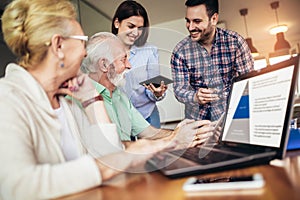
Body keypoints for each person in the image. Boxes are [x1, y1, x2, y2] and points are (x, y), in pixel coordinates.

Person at [0, 1, 178, 199]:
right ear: (59, 45)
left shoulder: (67, 101)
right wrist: (126, 157)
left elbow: (109, 156)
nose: (85, 52)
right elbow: (17, 187)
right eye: (81, 42)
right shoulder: (6, 98)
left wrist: (93, 99)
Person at [81, 32, 214, 146]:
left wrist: (180, 133)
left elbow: (148, 132)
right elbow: (113, 149)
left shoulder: (120, 96)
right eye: (123, 60)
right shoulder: (81, 101)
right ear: (104, 64)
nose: (129, 65)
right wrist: (175, 139)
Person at [171, 0, 254, 121]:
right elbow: (179, 90)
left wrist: (221, 95)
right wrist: (195, 96)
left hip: (232, 118)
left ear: (214, 19)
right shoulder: (180, 52)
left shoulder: (235, 42)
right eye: (188, 21)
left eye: (197, 21)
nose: (190, 27)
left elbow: (248, 83)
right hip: (197, 123)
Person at [111, 0, 167, 128]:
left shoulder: (150, 51)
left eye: (140, 28)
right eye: (131, 26)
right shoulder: (104, 51)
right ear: (117, 23)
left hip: (146, 114)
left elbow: (153, 86)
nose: (136, 33)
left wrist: (157, 93)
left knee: (155, 147)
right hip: (118, 117)